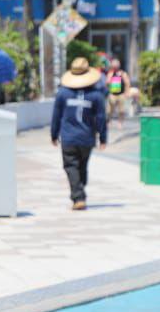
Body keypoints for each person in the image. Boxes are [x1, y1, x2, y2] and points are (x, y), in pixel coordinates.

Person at [52, 58, 108, 211]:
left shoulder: (63, 93)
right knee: (81, 167)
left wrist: (53, 134)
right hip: (87, 138)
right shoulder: (96, 96)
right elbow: (101, 118)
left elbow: (56, 115)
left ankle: (78, 197)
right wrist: (103, 137)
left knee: (71, 166)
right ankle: (79, 191)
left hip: (69, 137)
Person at [105, 57, 130, 127]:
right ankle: (109, 121)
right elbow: (107, 83)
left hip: (121, 94)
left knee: (121, 110)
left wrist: (127, 92)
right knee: (109, 110)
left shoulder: (123, 73)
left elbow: (127, 83)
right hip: (112, 93)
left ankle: (120, 122)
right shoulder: (110, 73)